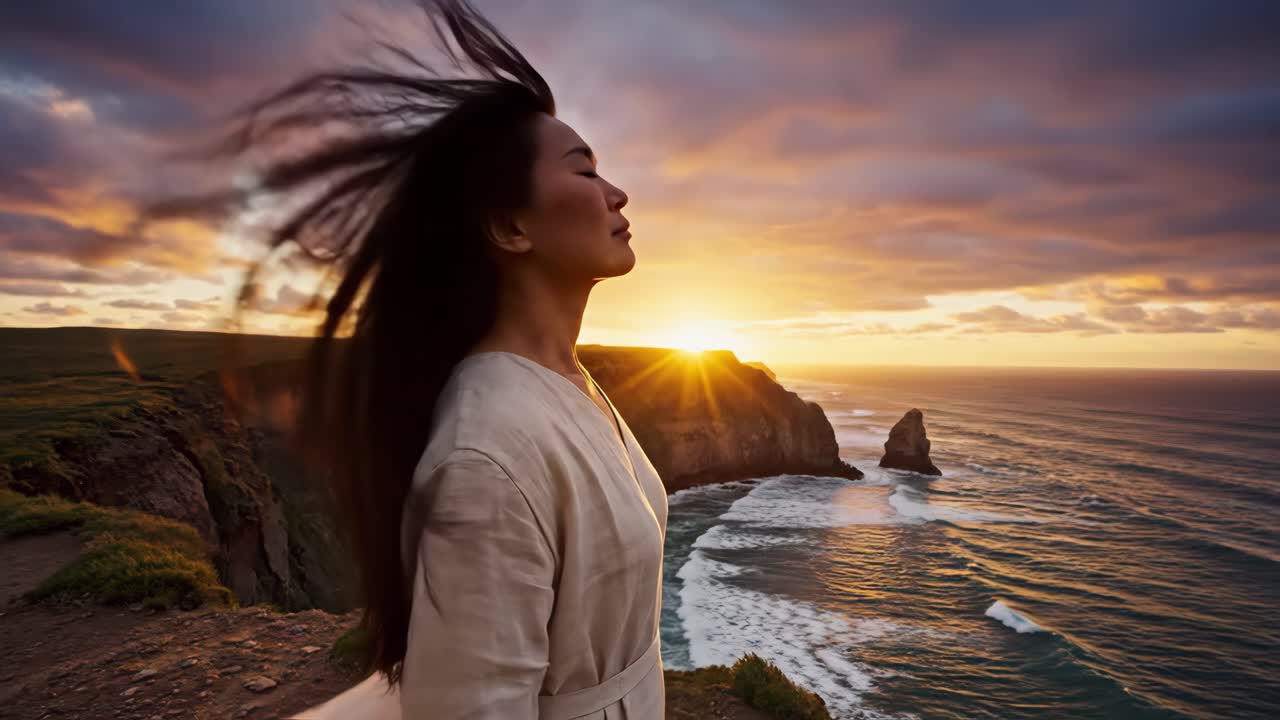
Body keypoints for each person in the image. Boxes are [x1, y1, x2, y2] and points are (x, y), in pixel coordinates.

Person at [151, 1, 669, 717]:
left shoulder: (569, 384)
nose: (616, 193)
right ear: (508, 225)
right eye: (584, 171)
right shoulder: (487, 450)